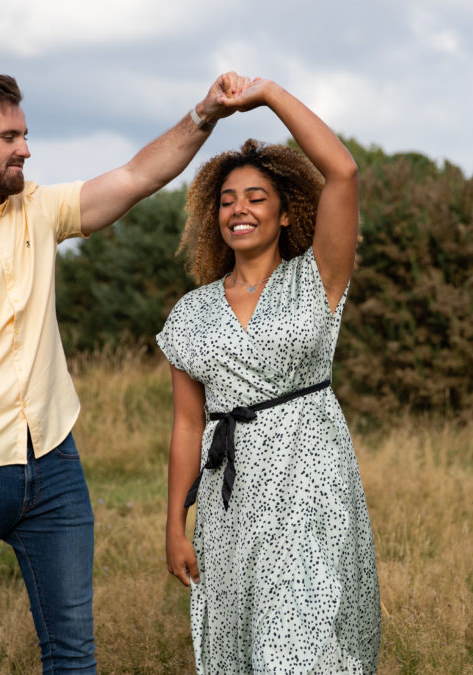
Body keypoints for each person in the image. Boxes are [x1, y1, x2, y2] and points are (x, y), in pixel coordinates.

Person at [0, 70, 251, 674]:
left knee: (74, 648)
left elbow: (137, 175)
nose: (26, 148)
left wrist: (204, 114)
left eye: (26, 134)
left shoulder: (39, 210)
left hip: (54, 467)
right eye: (10, 136)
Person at [156, 78, 381, 672]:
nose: (240, 209)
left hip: (310, 489)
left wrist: (268, 96)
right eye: (228, 199)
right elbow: (186, 427)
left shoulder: (317, 279)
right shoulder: (191, 313)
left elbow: (344, 173)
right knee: (238, 647)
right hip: (230, 502)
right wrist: (176, 525)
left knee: (298, 646)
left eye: (256, 197)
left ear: (285, 215)